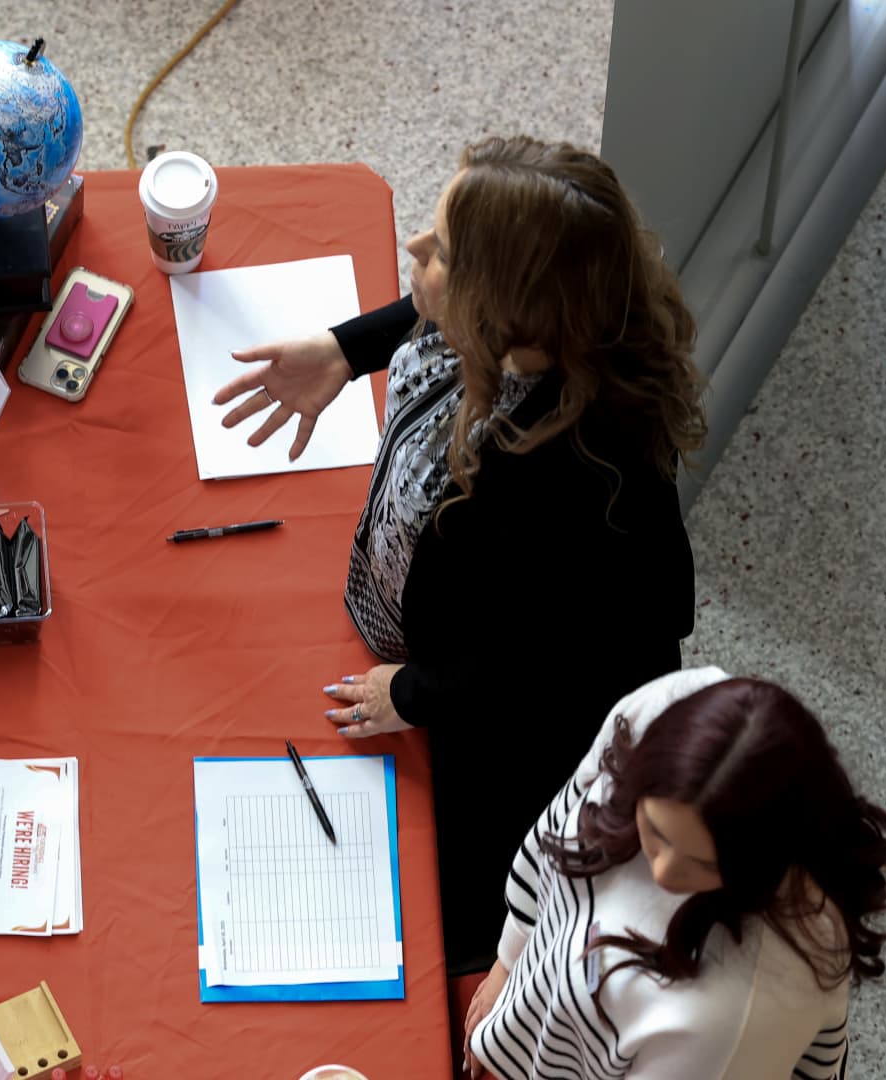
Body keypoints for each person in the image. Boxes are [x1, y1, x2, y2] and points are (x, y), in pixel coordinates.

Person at [213, 136, 707, 972]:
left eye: (441, 251)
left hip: (510, 732)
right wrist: (345, 350)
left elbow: (536, 657)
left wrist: (412, 692)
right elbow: (430, 311)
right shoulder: (548, 323)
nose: (413, 248)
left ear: (501, 305)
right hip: (463, 616)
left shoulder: (566, 481)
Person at [461, 668, 886, 1078]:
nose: (664, 872)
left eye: (704, 865)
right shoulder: (661, 709)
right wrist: (509, 964)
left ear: (763, 863)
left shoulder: (735, 1017)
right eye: (655, 832)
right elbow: (557, 827)